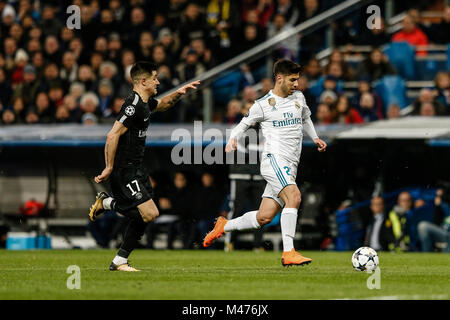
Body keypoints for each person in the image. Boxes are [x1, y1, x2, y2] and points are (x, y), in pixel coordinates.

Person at [203, 59, 327, 266]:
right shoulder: (262, 105)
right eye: (293, 80)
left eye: (297, 80)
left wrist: (314, 137)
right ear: (279, 78)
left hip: (291, 164)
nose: (297, 84)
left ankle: (223, 227)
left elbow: (306, 118)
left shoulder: (299, 97)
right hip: (274, 160)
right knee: (294, 197)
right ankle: (289, 252)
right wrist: (232, 139)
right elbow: (243, 125)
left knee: (264, 217)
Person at [89, 62, 199, 271]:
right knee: (149, 214)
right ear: (143, 81)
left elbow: (164, 104)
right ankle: (107, 204)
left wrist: (179, 93)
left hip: (137, 168)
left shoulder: (145, 102)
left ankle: (120, 260)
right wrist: (109, 167)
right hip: (124, 170)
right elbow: (112, 135)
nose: (158, 81)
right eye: (155, 78)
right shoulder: (132, 106)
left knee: (148, 215)